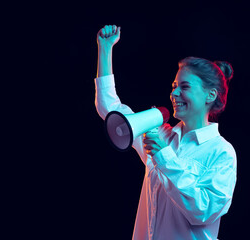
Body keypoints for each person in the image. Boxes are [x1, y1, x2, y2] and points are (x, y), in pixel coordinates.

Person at [94, 25, 237, 240]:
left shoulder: (221, 152)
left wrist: (164, 156)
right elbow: (112, 111)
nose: (174, 93)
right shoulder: (161, 135)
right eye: (174, 85)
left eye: (184, 87)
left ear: (210, 95)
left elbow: (203, 211)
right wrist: (105, 49)